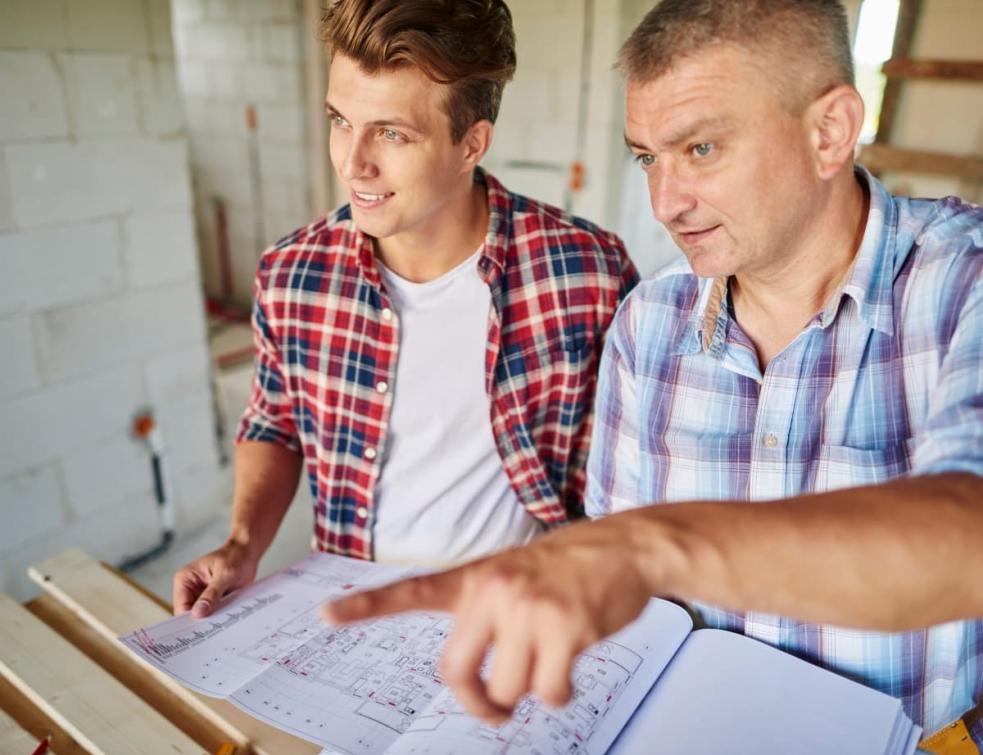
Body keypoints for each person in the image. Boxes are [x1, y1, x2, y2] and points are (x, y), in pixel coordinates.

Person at [324, 0, 983, 744]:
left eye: (699, 149)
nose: (664, 202)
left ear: (827, 131)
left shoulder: (962, 286)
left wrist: (646, 547)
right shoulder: (648, 322)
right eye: (646, 156)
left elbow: (966, 541)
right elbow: (634, 609)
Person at [173, 0, 637, 620]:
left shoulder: (588, 274)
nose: (352, 161)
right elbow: (274, 422)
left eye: (391, 132)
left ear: (471, 143)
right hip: (355, 608)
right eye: (341, 120)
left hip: (522, 613)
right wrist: (242, 543)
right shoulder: (292, 276)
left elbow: (623, 472)